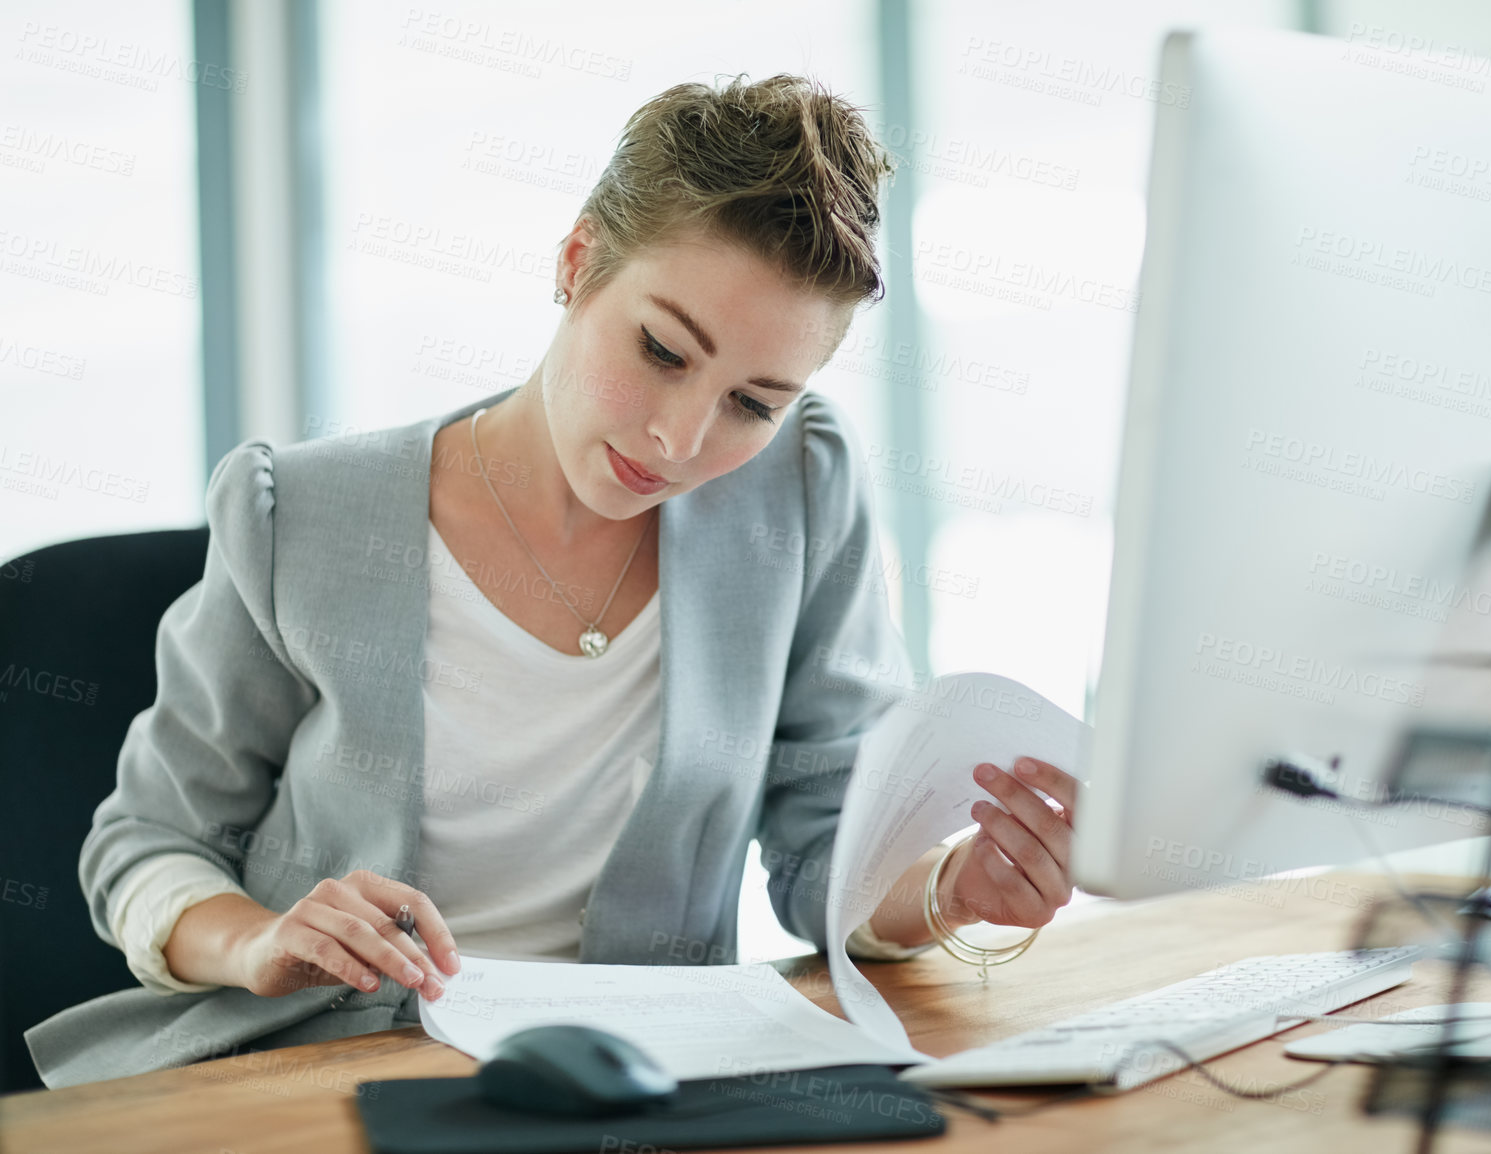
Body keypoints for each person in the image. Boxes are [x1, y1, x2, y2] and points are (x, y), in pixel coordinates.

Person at [25, 74, 1082, 1089]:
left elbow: (830, 856)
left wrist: (950, 887)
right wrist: (261, 941)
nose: (679, 438)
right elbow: (148, 840)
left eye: (753, 403)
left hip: (638, 1084)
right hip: (325, 1070)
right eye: (664, 349)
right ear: (578, 262)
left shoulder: (798, 490)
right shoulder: (297, 512)